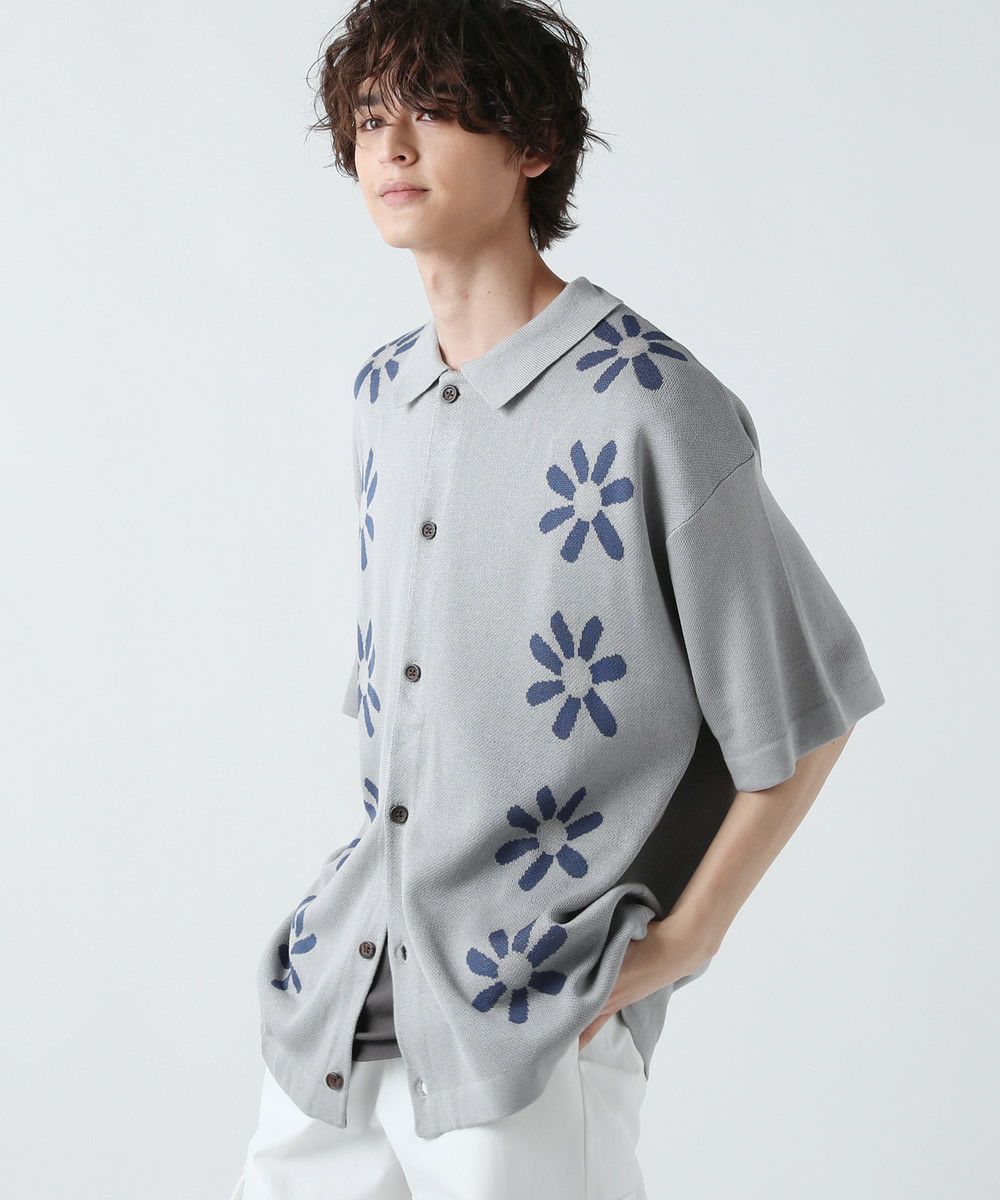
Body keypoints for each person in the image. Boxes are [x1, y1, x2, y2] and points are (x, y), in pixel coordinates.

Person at [230, 2, 886, 1197]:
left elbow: (803, 716)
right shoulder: (382, 394)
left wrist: (681, 942)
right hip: (341, 1004)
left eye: (433, 111)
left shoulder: (652, 403)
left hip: (532, 1026)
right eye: (369, 119)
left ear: (532, 144)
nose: (392, 147)